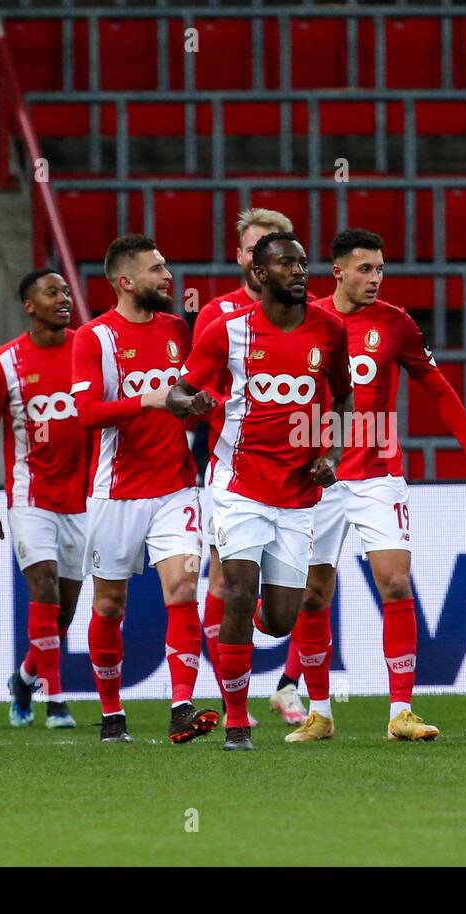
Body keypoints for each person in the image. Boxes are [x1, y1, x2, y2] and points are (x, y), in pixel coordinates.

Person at [283, 228, 466, 744]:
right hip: (319, 476)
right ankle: (319, 714)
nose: (375, 278)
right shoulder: (304, 320)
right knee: (313, 593)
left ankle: (401, 711)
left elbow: (437, 388)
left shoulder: (395, 324)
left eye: (380, 269)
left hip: (378, 473)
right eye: (365, 269)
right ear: (337, 272)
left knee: (395, 582)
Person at [165, 232, 354, 751]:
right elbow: (180, 389)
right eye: (286, 263)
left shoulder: (331, 331)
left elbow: (344, 396)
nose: (299, 271)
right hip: (237, 480)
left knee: (279, 619)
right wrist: (191, 402)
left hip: (295, 491)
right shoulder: (228, 331)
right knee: (239, 590)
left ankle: (247, 694)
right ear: (259, 273)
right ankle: (236, 721)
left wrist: (332, 456)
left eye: (302, 262)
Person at [71, 235, 218, 745]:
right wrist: (149, 401)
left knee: (182, 590)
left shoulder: (179, 329)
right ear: (126, 281)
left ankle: (181, 707)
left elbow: (197, 390)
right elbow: (86, 414)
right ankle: (112, 713)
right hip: (116, 493)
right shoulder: (94, 338)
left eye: (167, 265)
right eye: (157, 269)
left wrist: (201, 403)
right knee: (110, 606)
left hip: (177, 486)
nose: (168, 276)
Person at [193, 207, 296, 727]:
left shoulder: (309, 315)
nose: (265, 260)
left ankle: (288, 684)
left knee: (291, 600)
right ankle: (232, 700)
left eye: (276, 248)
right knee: (227, 585)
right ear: (242, 257)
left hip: (296, 476)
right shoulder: (218, 315)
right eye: (256, 248)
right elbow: (198, 384)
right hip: (234, 472)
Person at [0, 269, 88, 730]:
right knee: (42, 587)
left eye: (65, 292)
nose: (63, 299)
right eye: (51, 292)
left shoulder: (89, 349)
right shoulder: (5, 362)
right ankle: (56, 701)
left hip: (82, 500)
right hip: (30, 495)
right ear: (28, 305)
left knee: (63, 613)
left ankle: (24, 678)